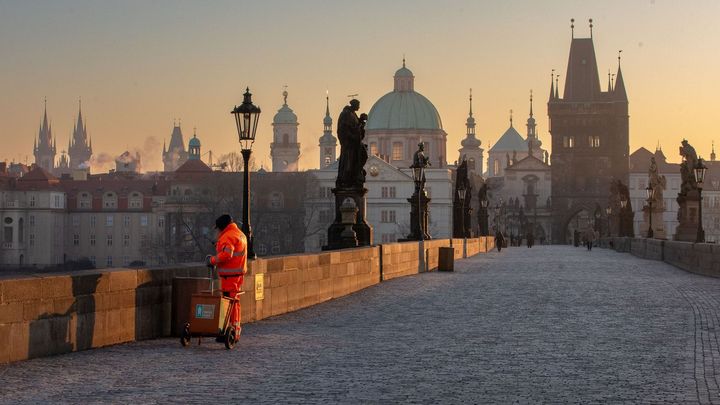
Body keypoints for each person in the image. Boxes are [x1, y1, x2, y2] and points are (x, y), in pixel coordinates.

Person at [205, 214, 247, 331]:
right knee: (235, 302)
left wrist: (212, 260)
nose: (217, 231)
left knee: (229, 303)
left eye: (218, 228)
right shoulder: (240, 234)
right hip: (238, 274)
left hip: (229, 276)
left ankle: (230, 330)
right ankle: (235, 328)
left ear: (222, 227)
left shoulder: (227, 236)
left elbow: (227, 254)